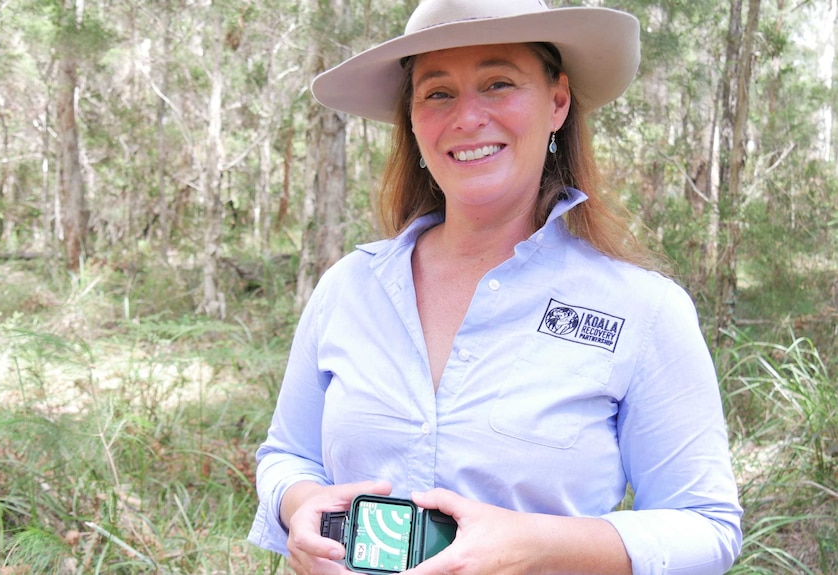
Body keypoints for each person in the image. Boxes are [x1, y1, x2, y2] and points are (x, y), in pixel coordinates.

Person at [247, 0, 744, 574]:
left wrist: (535, 546)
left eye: (498, 83)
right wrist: (299, 504)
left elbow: (706, 527)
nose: (467, 118)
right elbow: (287, 455)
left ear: (557, 102)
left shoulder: (643, 310)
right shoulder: (349, 288)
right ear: (412, 118)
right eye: (438, 93)